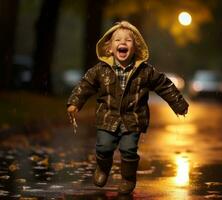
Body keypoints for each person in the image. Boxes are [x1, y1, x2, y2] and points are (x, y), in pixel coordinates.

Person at [67, 21, 189, 194]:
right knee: (104, 146)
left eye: (128, 40)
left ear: (136, 48)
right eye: (117, 40)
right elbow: (85, 85)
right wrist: (75, 102)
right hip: (107, 116)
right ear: (109, 48)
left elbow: (164, 85)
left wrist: (178, 103)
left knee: (129, 150)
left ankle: (128, 178)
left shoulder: (145, 71)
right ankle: (103, 168)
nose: (122, 43)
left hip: (133, 118)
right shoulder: (100, 70)